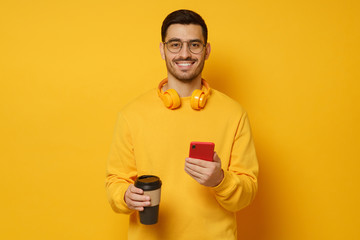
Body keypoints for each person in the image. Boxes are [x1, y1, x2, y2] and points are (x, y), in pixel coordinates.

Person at [106, 9, 258, 240]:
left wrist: (220, 180)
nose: (184, 53)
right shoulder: (131, 114)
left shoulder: (234, 114)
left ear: (206, 50)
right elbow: (115, 182)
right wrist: (125, 196)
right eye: (175, 44)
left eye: (194, 45)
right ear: (162, 49)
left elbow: (246, 194)